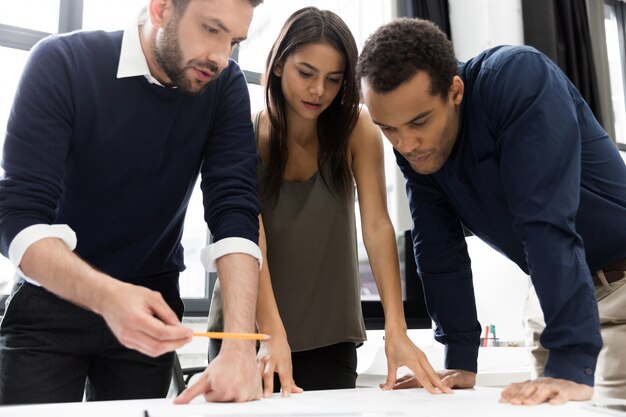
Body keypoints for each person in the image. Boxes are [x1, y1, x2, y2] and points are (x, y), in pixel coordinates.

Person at [0, 0, 265, 405]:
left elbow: (234, 208)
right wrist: (109, 298)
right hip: (49, 301)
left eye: (234, 41)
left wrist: (241, 345)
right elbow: (17, 215)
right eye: (211, 30)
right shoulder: (62, 62)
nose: (221, 57)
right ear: (161, 9)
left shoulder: (223, 85)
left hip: (152, 307)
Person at [356, 18, 626, 405]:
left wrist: (570, 362)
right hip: (551, 310)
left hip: (621, 295)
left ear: (455, 91)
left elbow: (544, 220)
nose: (406, 143)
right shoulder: (415, 148)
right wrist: (461, 357)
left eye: (419, 122)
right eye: (388, 129)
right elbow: (437, 246)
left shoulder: (517, 78)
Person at [206, 7, 451, 397]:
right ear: (280, 63)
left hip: (330, 337)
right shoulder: (245, 133)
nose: (318, 91)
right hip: (246, 331)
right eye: (306, 73)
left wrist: (396, 328)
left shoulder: (358, 129)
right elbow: (249, 237)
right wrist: (270, 333)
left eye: (333, 80)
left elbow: (377, 224)